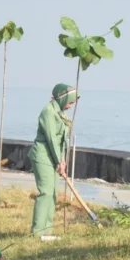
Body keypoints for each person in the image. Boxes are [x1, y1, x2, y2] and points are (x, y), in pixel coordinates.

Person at [29, 83, 76, 237]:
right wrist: (58, 160)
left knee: (54, 193)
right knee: (46, 192)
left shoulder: (62, 114)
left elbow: (62, 140)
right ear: (63, 99)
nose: (70, 106)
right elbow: (51, 140)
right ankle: (37, 232)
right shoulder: (48, 112)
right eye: (70, 102)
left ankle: (47, 231)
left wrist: (62, 160)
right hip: (43, 156)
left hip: (55, 158)